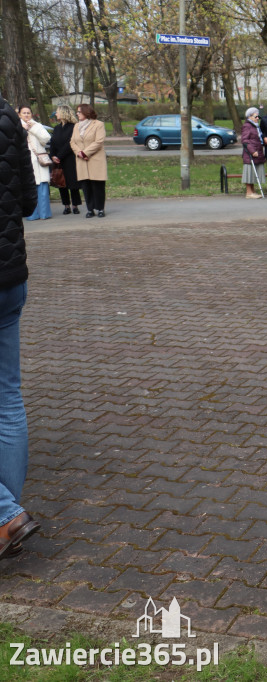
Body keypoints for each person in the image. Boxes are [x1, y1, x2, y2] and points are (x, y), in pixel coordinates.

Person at [0, 91, 40, 560]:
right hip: (10, 277)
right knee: (7, 397)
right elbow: (29, 201)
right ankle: (7, 522)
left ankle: (6, 514)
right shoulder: (8, 116)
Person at [70, 103, 107, 218]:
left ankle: (100, 208)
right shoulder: (76, 126)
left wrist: (85, 152)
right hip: (81, 161)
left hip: (95, 159)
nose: (77, 114)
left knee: (98, 185)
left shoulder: (98, 124)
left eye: (79, 112)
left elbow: (99, 141)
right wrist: (79, 153)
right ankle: (90, 209)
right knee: (86, 186)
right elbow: (72, 142)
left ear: (86, 112)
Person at [19, 106, 52, 222]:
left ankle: (44, 213)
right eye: (24, 113)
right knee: (30, 188)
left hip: (39, 161)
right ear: (19, 115)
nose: (26, 115)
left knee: (42, 189)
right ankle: (32, 214)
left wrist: (32, 129)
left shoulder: (37, 126)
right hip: (26, 162)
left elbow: (46, 138)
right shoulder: (17, 126)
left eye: (28, 113)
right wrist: (23, 129)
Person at [49, 105, 82, 215]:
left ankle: (75, 205)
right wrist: (53, 155)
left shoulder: (73, 127)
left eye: (57, 112)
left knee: (73, 183)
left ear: (63, 113)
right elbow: (52, 143)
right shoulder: (57, 128)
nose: (56, 114)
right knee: (61, 183)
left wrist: (59, 156)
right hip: (58, 160)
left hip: (69, 158)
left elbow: (70, 143)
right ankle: (66, 205)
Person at [240, 107, 265, 199]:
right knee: (249, 172)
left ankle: (253, 191)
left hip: (257, 152)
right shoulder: (247, 126)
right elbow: (245, 140)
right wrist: (252, 151)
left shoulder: (254, 126)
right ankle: (249, 192)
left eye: (258, 116)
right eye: (256, 116)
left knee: (254, 173)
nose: (258, 118)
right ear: (249, 116)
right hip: (250, 153)